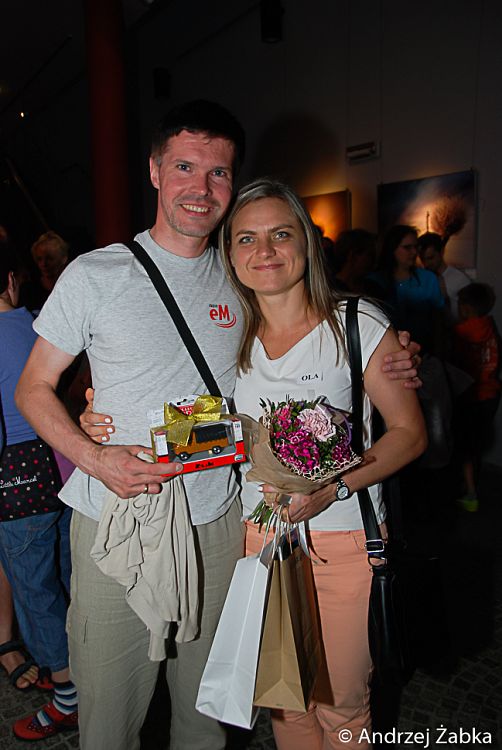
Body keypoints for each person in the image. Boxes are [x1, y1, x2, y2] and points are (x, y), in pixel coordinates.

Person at [17, 100, 421, 749]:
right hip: (119, 520)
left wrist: (393, 350)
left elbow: (310, 341)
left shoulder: (242, 278)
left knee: (207, 717)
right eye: (184, 167)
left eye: (219, 173)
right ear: (154, 171)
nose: (200, 187)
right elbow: (33, 388)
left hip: (220, 523)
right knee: (109, 722)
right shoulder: (95, 273)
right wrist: (93, 454)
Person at [219, 179, 426, 750]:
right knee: (285, 699)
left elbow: (410, 434)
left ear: (307, 243)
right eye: (246, 238)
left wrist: (332, 488)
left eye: (281, 234)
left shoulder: (357, 322)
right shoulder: (228, 337)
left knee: (342, 705)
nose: (264, 250)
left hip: (345, 541)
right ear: (229, 255)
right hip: (260, 541)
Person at [0, 246, 75, 738]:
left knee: (36, 593)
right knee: (71, 580)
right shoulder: (42, 323)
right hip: (66, 467)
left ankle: (68, 696)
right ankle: (87, 668)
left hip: (17, 483)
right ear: (11, 280)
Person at [454, 283, 501, 511]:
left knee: (465, 447)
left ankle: (470, 494)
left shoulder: (461, 332)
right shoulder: (490, 327)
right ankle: (471, 486)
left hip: (471, 396)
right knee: (477, 446)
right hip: (491, 393)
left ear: (466, 307)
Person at [366, 225, 445, 354]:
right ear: (392, 249)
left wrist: (439, 351)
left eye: (415, 247)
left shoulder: (427, 279)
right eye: (407, 247)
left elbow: (438, 319)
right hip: (386, 351)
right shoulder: (375, 281)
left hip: (424, 350)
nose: (414, 252)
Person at [417, 231, 470, 322]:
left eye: (431, 258)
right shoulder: (419, 278)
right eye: (423, 259)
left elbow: (469, 317)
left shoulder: (460, 279)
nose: (426, 264)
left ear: (441, 252)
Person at [20, 231, 70, 313]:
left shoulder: (73, 287)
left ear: (63, 259)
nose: (43, 264)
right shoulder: (29, 291)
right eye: (39, 259)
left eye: (50, 258)